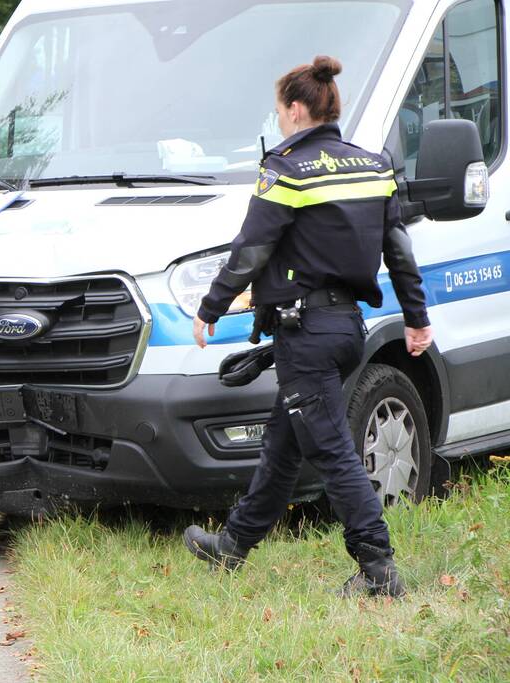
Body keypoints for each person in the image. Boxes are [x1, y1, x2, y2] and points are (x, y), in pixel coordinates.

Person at [183, 56, 432, 598]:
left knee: (332, 450)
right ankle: (233, 546)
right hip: (346, 328)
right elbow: (400, 252)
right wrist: (417, 319)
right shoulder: (373, 165)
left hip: (306, 335)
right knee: (284, 443)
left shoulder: (285, 170)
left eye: (279, 112)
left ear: (297, 109)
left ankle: (378, 568)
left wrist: (210, 307)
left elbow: (249, 251)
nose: (278, 122)